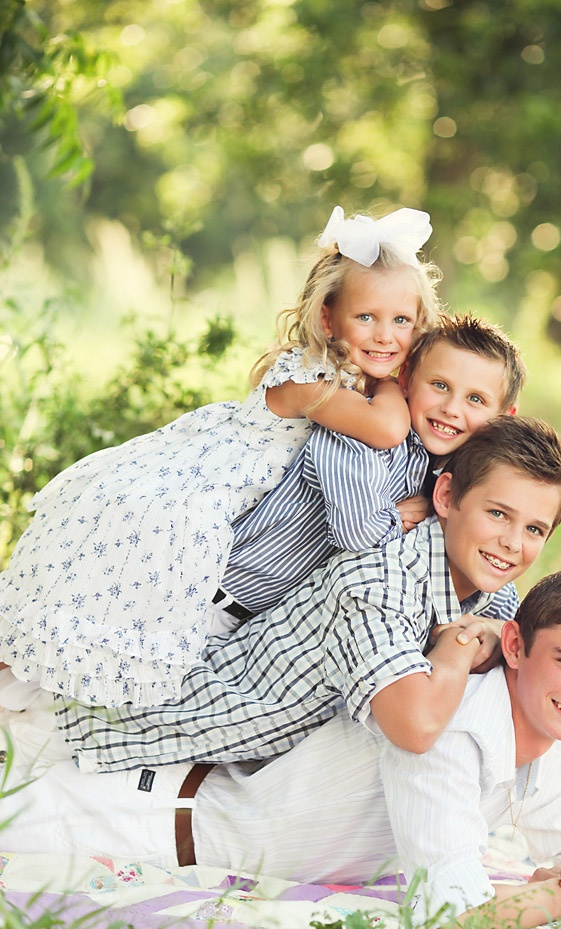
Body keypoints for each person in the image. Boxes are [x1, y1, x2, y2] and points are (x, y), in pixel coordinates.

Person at [0, 569, 561, 929]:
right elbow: (451, 918)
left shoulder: (549, 746)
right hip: (135, 819)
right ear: (514, 647)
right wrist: (559, 900)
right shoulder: (446, 730)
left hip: (169, 807)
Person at [0, 206, 440, 710]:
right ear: (327, 317)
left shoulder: (347, 379)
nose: (385, 335)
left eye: (401, 321)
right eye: (366, 317)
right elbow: (387, 429)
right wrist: (395, 379)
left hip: (219, 508)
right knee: (82, 623)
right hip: (186, 505)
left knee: (72, 645)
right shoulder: (310, 378)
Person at [52, 413, 561, 773]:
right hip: (107, 736)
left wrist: (493, 630)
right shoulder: (379, 580)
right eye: (498, 514)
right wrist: (463, 643)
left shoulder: (492, 594)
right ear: (446, 496)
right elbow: (416, 728)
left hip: (220, 770)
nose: (513, 543)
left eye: (534, 529)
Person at [212, 312, 527, 625]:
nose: (451, 409)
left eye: (475, 399)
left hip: (270, 620)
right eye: (440, 385)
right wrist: (397, 520)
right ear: (406, 378)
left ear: (503, 418)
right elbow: (357, 531)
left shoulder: (454, 473)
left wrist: (500, 625)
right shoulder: (366, 432)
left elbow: (476, 553)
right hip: (221, 597)